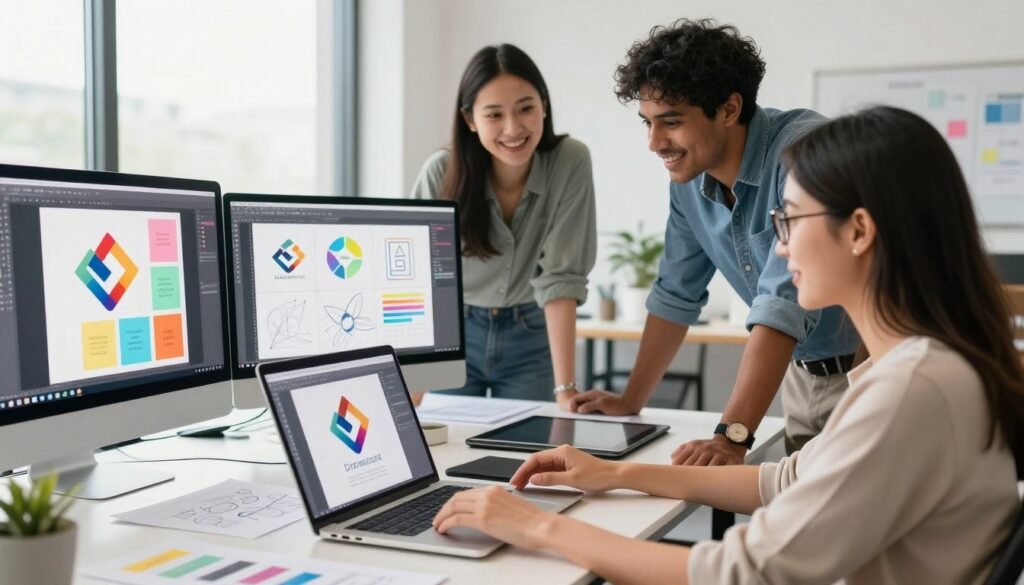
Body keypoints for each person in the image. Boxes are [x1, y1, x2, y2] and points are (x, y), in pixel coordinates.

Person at [432, 106, 1024, 584]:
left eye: (789, 220)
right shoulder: (916, 366)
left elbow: (738, 572)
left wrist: (537, 529)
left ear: (860, 231)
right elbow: (785, 479)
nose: (780, 246)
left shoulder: (912, 389)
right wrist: (613, 475)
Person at [563, 19, 860, 464]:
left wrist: (732, 437)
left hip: (869, 373)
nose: (654, 142)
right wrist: (631, 401)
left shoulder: (806, 154)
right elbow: (675, 293)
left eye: (671, 122)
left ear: (728, 109)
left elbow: (783, 303)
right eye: (647, 123)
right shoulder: (688, 182)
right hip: (802, 377)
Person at [411, 44, 596, 403]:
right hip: (453, 334)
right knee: (446, 446)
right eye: (494, 115)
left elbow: (561, 276)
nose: (513, 128)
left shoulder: (570, 161)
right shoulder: (440, 173)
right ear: (470, 120)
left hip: (531, 334)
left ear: (544, 104)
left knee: (532, 453)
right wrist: (418, 375)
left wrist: (566, 390)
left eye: (526, 108)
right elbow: (417, 280)